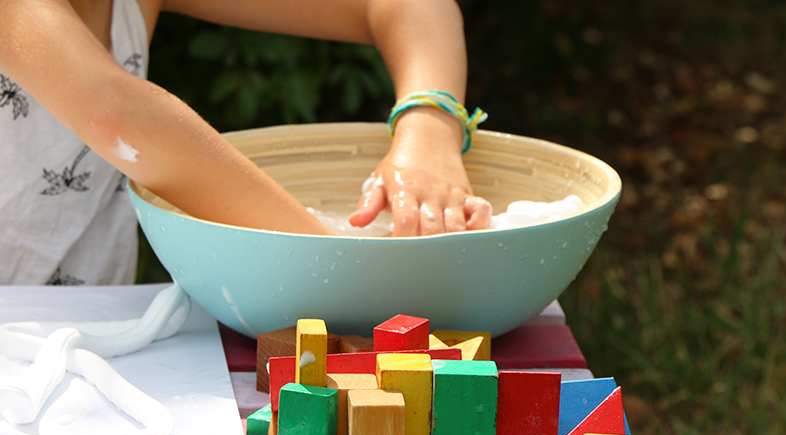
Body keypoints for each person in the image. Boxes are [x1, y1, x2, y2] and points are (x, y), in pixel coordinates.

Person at [0, 0, 493, 287]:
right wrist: (347, 270)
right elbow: (117, 118)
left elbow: (403, 5)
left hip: (88, 333)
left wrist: (428, 128)